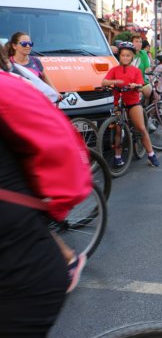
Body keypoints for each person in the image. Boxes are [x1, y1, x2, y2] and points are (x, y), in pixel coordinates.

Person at [0, 47, 90, 336]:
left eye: (28, 43)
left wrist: (55, 206)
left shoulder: (15, 80)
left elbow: (47, 96)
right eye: (22, 43)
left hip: (21, 271)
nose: (27, 47)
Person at [102, 42, 159, 167]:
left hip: (132, 102)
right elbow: (104, 82)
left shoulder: (136, 71)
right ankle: (117, 157)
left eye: (128, 55)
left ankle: (151, 154)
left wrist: (136, 86)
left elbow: (140, 85)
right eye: (123, 55)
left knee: (141, 128)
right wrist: (114, 81)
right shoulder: (114, 70)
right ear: (120, 56)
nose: (125, 58)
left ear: (132, 57)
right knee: (118, 130)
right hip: (118, 103)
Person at [6, 31, 61, 99]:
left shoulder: (36, 61)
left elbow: (45, 77)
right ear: (14, 46)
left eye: (30, 43)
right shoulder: (7, 63)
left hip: (36, 101)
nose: (28, 46)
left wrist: (55, 91)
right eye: (24, 44)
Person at [131, 34, 152, 100]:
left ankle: (147, 108)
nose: (139, 43)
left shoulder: (143, 53)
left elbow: (148, 69)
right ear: (132, 43)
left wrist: (152, 76)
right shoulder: (128, 54)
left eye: (140, 42)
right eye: (136, 41)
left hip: (142, 82)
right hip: (131, 83)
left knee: (154, 96)